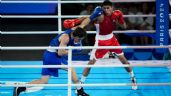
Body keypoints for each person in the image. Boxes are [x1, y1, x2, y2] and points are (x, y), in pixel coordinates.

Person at [13, 7, 103, 96]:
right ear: (75, 36)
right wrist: (73, 50)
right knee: (71, 69)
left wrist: (94, 15)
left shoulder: (76, 30)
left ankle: (21, 87)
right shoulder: (66, 37)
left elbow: (84, 23)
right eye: (79, 40)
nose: (79, 42)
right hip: (53, 56)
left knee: (43, 81)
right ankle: (80, 92)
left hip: (48, 55)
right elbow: (60, 52)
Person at [79, 0, 138, 90]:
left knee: (124, 60)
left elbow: (124, 27)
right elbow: (93, 19)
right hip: (100, 42)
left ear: (112, 8)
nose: (106, 10)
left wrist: (118, 19)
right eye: (104, 8)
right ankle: (80, 85)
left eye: (108, 8)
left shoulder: (116, 14)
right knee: (90, 63)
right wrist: (82, 25)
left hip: (112, 39)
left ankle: (133, 78)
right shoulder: (99, 13)